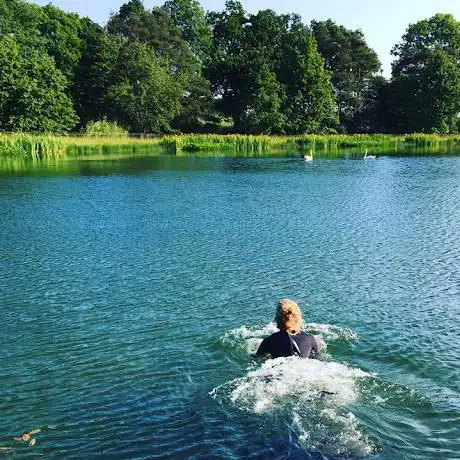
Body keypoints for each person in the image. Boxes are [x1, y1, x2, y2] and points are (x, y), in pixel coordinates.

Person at [256, 299, 322, 359]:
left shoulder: (268, 342)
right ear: (298, 316)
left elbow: (256, 358)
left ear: (277, 318)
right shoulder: (310, 339)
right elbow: (319, 359)